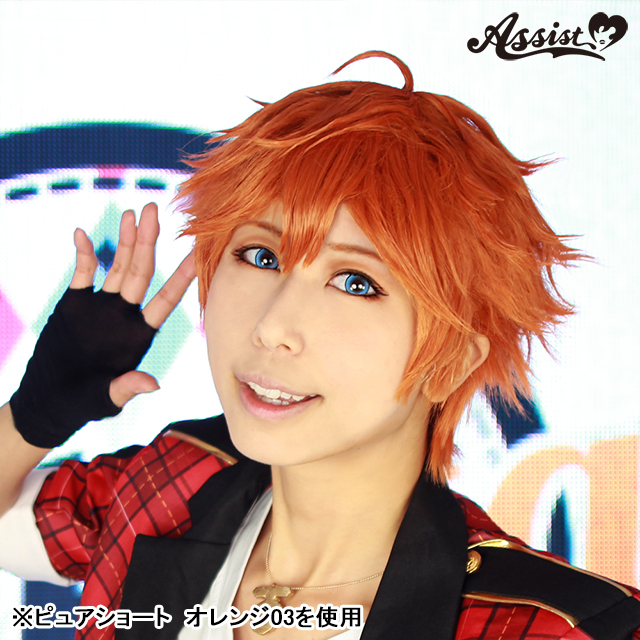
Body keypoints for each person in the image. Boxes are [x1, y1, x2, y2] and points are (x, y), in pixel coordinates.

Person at [1, 51, 639, 640]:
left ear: (451, 360)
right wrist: (34, 416)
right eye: (261, 255)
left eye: (356, 282)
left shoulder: (566, 628)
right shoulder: (179, 480)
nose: (273, 325)